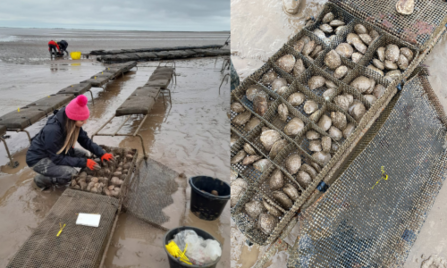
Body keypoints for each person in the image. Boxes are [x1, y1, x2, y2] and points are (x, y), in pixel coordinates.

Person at [26, 95, 114, 189]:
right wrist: (84, 162)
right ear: (73, 119)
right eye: (82, 120)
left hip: (56, 152)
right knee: (71, 174)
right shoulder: (53, 130)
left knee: (83, 154)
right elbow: (58, 159)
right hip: (39, 159)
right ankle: (42, 179)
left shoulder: (72, 123)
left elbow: (85, 140)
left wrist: (101, 153)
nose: (85, 122)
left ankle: (57, 173)